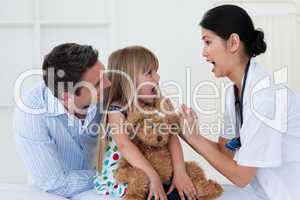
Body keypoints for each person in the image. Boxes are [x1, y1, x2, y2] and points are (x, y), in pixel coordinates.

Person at [179, 5, 300, 200]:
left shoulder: (264, 99)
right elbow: (224, 153)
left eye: (208, 42)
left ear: (233, 42)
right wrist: (183, 131)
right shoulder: (232, 94)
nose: (204, 53)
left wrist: (195, 139)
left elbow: (241, 176)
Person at [94, 46, 198, 200]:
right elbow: (124, 145)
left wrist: (179, 171)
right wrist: (152, 177)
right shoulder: (116, 110)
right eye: (149, 73)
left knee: (185, 191)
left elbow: (171, 138)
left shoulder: (155, 106)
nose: (157, 77)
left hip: (153, 170)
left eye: (156, 71)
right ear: (128, 79)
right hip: (126, 174)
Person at [13, 43, 112, 198]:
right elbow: (54, 183)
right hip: (53, 193)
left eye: (105, 75)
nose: (109, 83)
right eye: (99, 83)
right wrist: (111, 175)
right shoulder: (31, 112)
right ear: (67, 97)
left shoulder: (106, 93)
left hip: (101, 187)